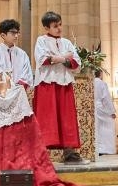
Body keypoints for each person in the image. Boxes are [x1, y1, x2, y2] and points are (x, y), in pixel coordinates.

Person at [32, 11, 83, 163]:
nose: (59, 28)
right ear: (47, 28)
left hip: (64, 83)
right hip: (46, 84)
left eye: (60, 25)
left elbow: (76, 63)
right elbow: (43, 59)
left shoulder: (67, 42)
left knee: (66, 118)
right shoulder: (41, 40)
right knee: (47, 118)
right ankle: (42, 154)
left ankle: (69, 152)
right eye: (55, 26)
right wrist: (64, 57)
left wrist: (58, 59)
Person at [0, 19, 33, 89]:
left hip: (18, 90)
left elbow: (26, 73)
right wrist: (6, 85)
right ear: (3, 35)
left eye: (17, 33)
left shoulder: (22, 54)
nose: (16, 36)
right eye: (13, 33)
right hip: (1, 91)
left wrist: (17, 87)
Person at [93, 69, 116, 156]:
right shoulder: (101, 83)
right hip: (100, 107)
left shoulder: (89, 81)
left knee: (95, 128)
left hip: (91, 107)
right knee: (107, 125)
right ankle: (104, 148)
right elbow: (106, 99)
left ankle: (95, 148)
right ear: (100, 74)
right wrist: (111, 112)